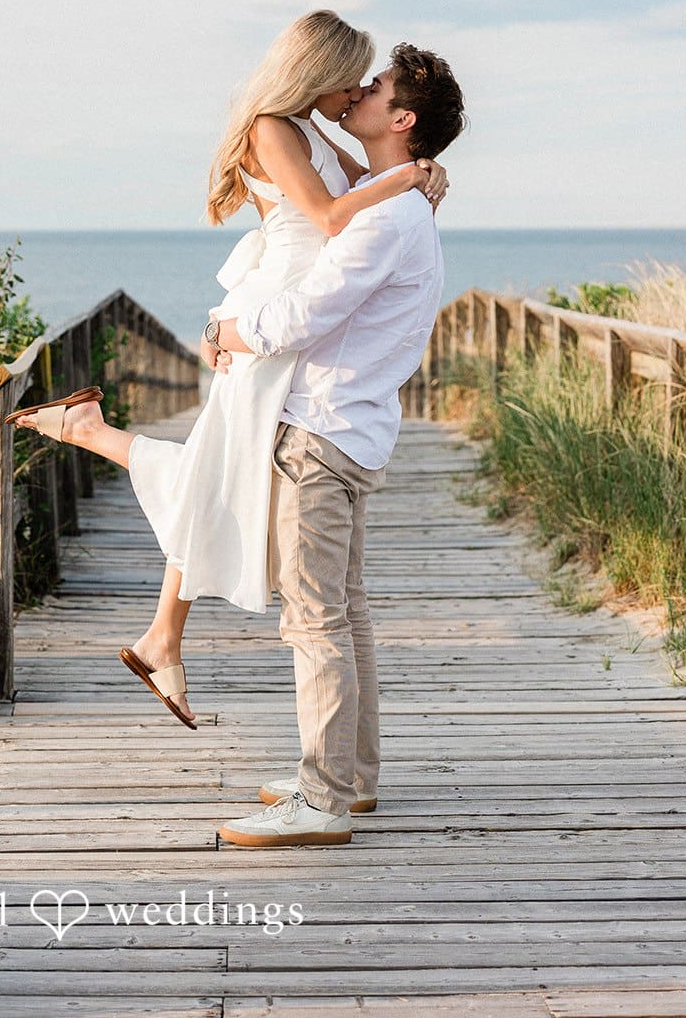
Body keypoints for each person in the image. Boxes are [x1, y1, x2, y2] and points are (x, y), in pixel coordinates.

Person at [8, 11, 449, 730]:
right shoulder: (271, 128)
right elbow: (331, 216)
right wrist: (410, 177)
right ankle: (99, 462)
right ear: (318, 71)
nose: (354, 93)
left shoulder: (311, 129)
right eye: (351, 80)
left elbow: (366, 183)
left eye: (366, 85)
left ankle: (159, 630)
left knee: (216, 471)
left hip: (291, 320)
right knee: (217, 471)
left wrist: (415, 171)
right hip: (272, 318)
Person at [209, 41, 466, 847]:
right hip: (352, 428)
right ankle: (350, 779)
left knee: (315, 620)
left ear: (401, 119)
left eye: (375, 87)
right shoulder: (395, 205)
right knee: (343, 612)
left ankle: (320, 800)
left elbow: (302, 313)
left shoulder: (384, 217)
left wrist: (224, 330)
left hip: (321, 433)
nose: (357, 91)